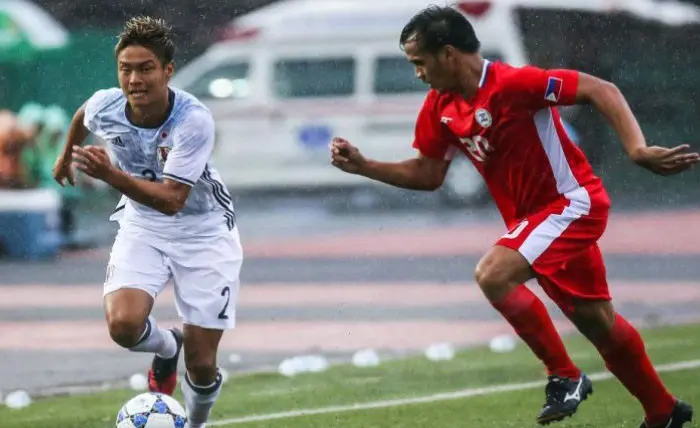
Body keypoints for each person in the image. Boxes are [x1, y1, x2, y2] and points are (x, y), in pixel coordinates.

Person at [329, 6, 698, 428]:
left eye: (419, 62)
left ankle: (564, 376)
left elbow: (601, 89)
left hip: (571, 203)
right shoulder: (440, 108)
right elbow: (428, 174)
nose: (418, 74)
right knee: (597, 322)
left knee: (493, 274)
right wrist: (365, 166)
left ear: (448, 54)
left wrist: (636, 148)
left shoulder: (515, 83)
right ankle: (663, 412)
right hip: (535, 223)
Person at [52, 16, 242, 428]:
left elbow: (174, 200)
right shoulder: (108, 104)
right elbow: (83, 115)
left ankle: (196, 422)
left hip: (203, 231)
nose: (134, 79)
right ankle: (165, 345)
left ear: (167, 71)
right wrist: (66, 154)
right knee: (123, 325)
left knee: (203, 362)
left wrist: (111, 176)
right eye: (126, 69)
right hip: (143, 223)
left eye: (145, 68)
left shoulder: (193, 120)